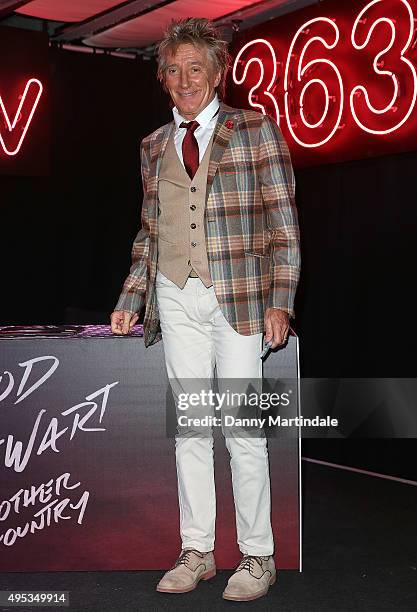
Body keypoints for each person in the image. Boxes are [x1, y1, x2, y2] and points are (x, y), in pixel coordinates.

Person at [110, 17, 300, 602]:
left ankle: (258, 557)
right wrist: (130, 298)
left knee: (244, 431)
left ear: (217, 73)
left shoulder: (255, 130)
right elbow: (148, 233)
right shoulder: (153, 147)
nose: (185, 78)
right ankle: (197, 550)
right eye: (174, 69)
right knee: (190, 430)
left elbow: (283, 227)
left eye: (196, 67)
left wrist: (280, 301)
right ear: (164, 81)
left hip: (239, 298)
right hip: (175, 294)